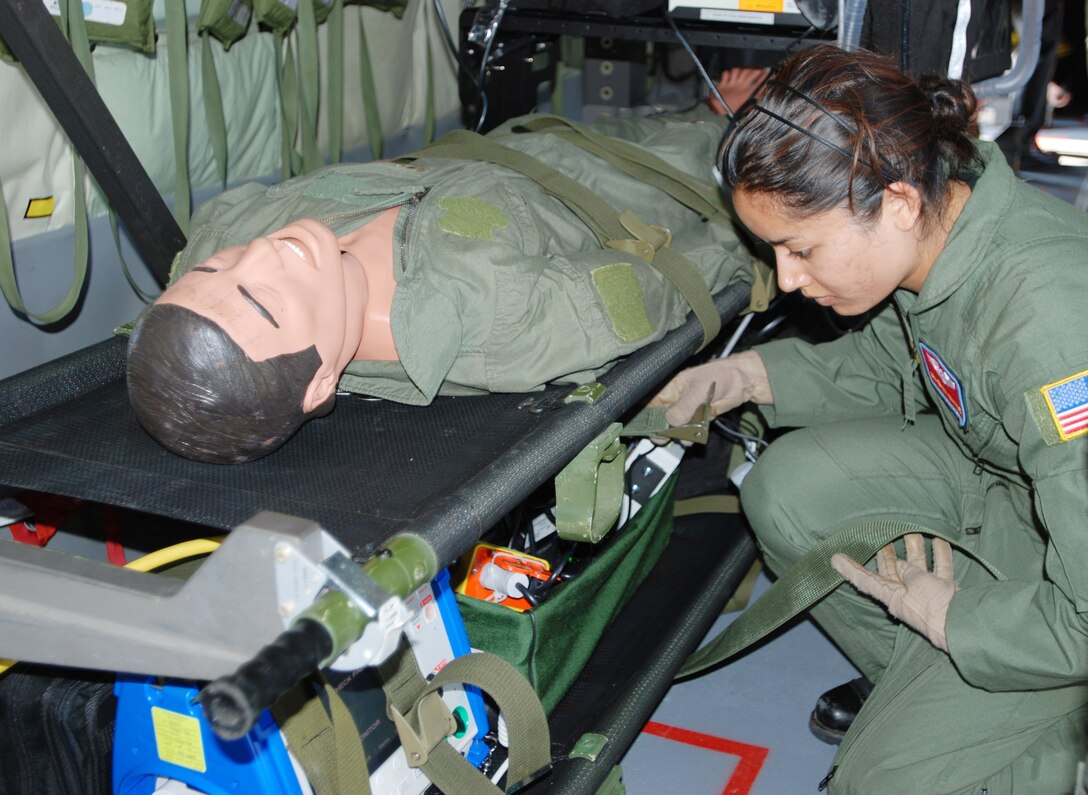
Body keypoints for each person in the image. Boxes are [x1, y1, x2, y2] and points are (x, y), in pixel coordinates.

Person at [654, 44, 1088, 793]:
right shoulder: (939, 232)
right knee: (788, 489)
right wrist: (745, 374)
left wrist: (960, 621)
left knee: (874, 781)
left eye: (801, 248)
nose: (788, 278)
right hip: (1004, 489)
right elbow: (889, 367)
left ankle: (1041, 730)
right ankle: (941, 692)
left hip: (1064, 571)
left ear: (896, 203)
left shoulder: (1046, 320)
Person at [126, 112, 758, 464]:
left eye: (219, 270)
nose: (261, 253)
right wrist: (769, 245)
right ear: (321, 384)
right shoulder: (502, 324)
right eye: (263, 300)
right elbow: (675, 282)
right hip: (648, 173)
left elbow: (201, 278)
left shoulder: (222, 236)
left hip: (525, 129)